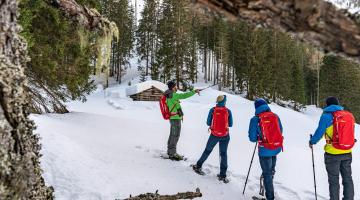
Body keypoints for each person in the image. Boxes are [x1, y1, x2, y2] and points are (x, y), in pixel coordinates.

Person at [309, 96, 355, 200]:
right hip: (347, 152)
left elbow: (319, 133)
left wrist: (312, 141)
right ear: (338, 104)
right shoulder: (349, 116)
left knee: (334, 180)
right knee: (347, 178)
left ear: (327, 105)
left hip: (332, 153)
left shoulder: (326, 116)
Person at [192, 95, 233, 183]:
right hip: (225, 136)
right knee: (223, 154)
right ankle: (222, 175)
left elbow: (208, 122)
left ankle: (198, 166)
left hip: (214, 135)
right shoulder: (228, 111)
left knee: (207, 151)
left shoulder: (213, 110)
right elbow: (231, 124)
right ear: (224, 102)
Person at [248, 98, 283, 200]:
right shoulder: (275, 116)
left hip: (264, 150)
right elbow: (281, 130)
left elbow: (252, 138)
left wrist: (260, 137)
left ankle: (270, 197)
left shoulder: (255, 119)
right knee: (270, 171)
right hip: (276, 148)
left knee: (267, 174)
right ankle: (269, 190)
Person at [164, 80, 199, 161]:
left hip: (172, 118)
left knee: (172, 135)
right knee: (175, 135)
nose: (176, 87)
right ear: (173, 87)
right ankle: (173, 154)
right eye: (175, 86)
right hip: (175, 118)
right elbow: (184, 95)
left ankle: (170, 151)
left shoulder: (167, 95)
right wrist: (194, 91)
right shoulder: (173, 95)